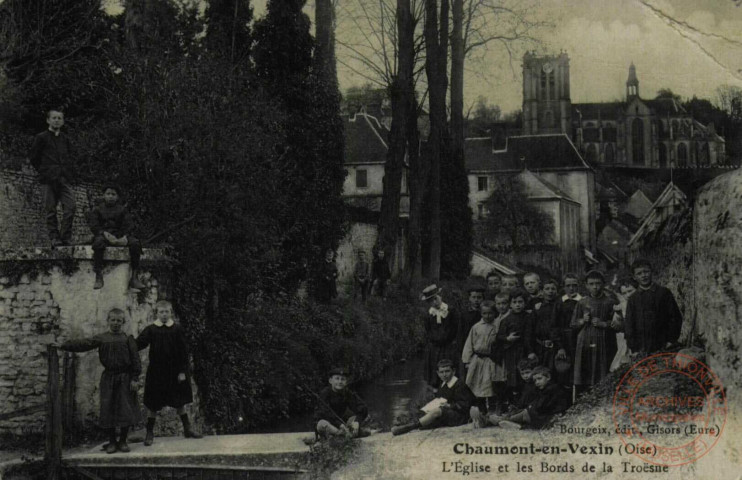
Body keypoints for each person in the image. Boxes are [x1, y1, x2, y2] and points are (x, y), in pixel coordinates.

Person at [58, 309, 140, 454]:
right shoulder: (102, 338)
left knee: (125, 409)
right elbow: (84, 344)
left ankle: (122, 441)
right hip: (108, 378)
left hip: (125, 378)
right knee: (108, 408)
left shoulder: (128, 339)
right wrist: (64, 345)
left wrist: (134, 378)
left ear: (123, 322)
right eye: (113, 320)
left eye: (119, 321)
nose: (115, 323)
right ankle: (112, 442)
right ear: (108, 321)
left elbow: (135, 360)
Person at [136, 300, 202, 446]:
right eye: (161, 312)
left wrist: (182, 371)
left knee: (180, 401)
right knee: (153, 403)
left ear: (171, 313)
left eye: (167, 312)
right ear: (157, 313)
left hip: (174, 372)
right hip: (156, 372)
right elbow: (138, 344)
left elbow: (183, 352)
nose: (164, 315)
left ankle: (187, 429)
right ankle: (149, 432)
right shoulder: (151, 329)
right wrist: (126, 344)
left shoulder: (177, 329)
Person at [29, 109, 77, 247]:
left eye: (59, 118)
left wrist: (68, 173)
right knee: (50, 210)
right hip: (47, 180)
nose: (57, 120)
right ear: (48, 120)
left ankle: (65, 237)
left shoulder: (65, 139)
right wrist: (45, 171)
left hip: (63, 179)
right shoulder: (41, 137)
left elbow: (70, 157)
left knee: (71, 207)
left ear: (63, 121)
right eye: (54, 118)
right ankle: (54, 238)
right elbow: (33, 158)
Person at [391, 359, 475, 435]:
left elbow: (466, 405)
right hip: (447, 414)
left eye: (447, 371)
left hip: (460, 417)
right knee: (424, 412)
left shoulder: (459, 385)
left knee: (436, 411)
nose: (444, 375)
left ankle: (410, 427)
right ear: (438, 373)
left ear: (453, 371)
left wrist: (449, 406)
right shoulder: (443, 384)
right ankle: (405, 424)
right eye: (441, 372)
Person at [87, 185, 146, 290]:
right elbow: (94, 226)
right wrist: (103, 233)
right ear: (104, 195)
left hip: (119, 236)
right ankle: (99, 276)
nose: (110, 196)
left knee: (135, 243)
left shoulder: (122, 210)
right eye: (108, 194)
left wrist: (124, 237)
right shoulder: (97, 209)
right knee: (98, 243)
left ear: (117, 197)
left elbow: (129, 226)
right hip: (104, 235)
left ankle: (134, 277)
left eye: (113, 194)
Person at [570, 271, 619, 393]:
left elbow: (618, 325)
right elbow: (573, 324)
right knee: (584, 370)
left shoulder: (610, 302)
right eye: (591, 284)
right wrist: (582, 320)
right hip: (585, 342)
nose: (595, 287)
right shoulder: (582, 302)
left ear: (603, 284)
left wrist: (604, 324)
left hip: (603, 341)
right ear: (586, 285)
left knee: (602, 370)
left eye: (598, 283)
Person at [624, 259, 682, 357]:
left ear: (651, 272)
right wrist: (633, 347)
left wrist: (671, 340)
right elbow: (629, 324)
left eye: (646, 271)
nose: (643, 275)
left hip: (663, 345)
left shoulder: (664, 293)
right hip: (641, 348)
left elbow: (675, 317)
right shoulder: (633, 299)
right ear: (634, 277)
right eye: (639, 273)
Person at [479, 366, 569, 430]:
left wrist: (530, 408)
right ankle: (502, 421)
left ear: (548, 377)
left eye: (539, 379)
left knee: (523, 413)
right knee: (522, 412)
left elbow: (542, 406)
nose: (537, 382)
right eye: (535, 380)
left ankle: (489, 420)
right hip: (546, 416)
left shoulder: (551, 389)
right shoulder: (548, 389)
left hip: (549, 418)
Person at [472, 357, 538, 427]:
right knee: (508, 414)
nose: (525, 376)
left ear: (533, 371)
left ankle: (486, 421)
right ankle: (487, 420)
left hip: (527, 411)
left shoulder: (535, 385)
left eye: (528, 372)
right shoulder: (524, 385)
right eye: (522, 374)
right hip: (521, 409)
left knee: (507, 417)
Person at [461, 301, 500, 414]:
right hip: (478, 359)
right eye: (484, 313)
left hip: (492, 359)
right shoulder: (476, 327)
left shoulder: (497, 325)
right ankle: (481, 409)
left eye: (490, 313)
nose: (487, 316)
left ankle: (493, 409)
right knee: (478, 384)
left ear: (494, 313)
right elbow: (469, 344)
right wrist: (467, 360)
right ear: (481, 314)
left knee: (491, 384)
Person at [495, 289, 534, 402]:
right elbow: (499, 337)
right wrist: (507, 338)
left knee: (526, 375)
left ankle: (526, 401)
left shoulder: (529, 316)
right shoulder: (507, 320)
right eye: (515, 302)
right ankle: (514, 403)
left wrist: (531, 351)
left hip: (526, 351)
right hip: (512, 352)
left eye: (520, 302)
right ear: (510, 304)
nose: (517, 305)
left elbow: (530, 335)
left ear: (525, 303)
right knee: (513, 377)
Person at [420, 285, 459, 390]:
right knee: (435, 369)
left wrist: (448, 340)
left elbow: (455, 328)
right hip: (435, 347)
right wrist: (434, 339)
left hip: (448, 346)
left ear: (440, 296)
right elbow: (428, 330)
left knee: (449, 368)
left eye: (435, 299)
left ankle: (450, 391)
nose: (434, 303)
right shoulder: (429, 314)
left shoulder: (450, 311)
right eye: (430, 301)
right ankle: (436, 392)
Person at [314, 367, 369, 439]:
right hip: (329, 423)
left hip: (342, 424)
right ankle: (343, 435)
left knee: (365, 417)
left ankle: (343, 435)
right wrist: (340, 425)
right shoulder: (324, 393)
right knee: (322, 424)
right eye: (337, 378)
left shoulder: (347, 392)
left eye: (343, 379)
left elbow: (362, 407)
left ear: (346, 382)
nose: (340, 382)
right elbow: (324, 413)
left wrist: (356, 421)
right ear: (330, 381)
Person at [532, 278, 567, 374]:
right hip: (540, 347)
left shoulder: (560, 306)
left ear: (557, 291)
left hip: (555, 347)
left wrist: (560, 346)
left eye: (553, 289)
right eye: (547, 289)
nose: (550, 291)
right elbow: (532, 329)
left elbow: (560, 328)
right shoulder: (538, 307)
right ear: (542, 291)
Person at [610, 278, 637, 372]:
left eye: (630, 291)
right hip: (628, 339)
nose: (628, 295)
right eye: (624, 293)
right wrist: (618, 314)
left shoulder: (643, 302)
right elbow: (616, 326)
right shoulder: (623, 305)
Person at [457, 285, 484, 360]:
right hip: (468, 345)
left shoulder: (485, 313)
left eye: (479, 297)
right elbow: (460, 333)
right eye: (473, 297)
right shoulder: (464, 314)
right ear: (469, 298)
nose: (476, 300)